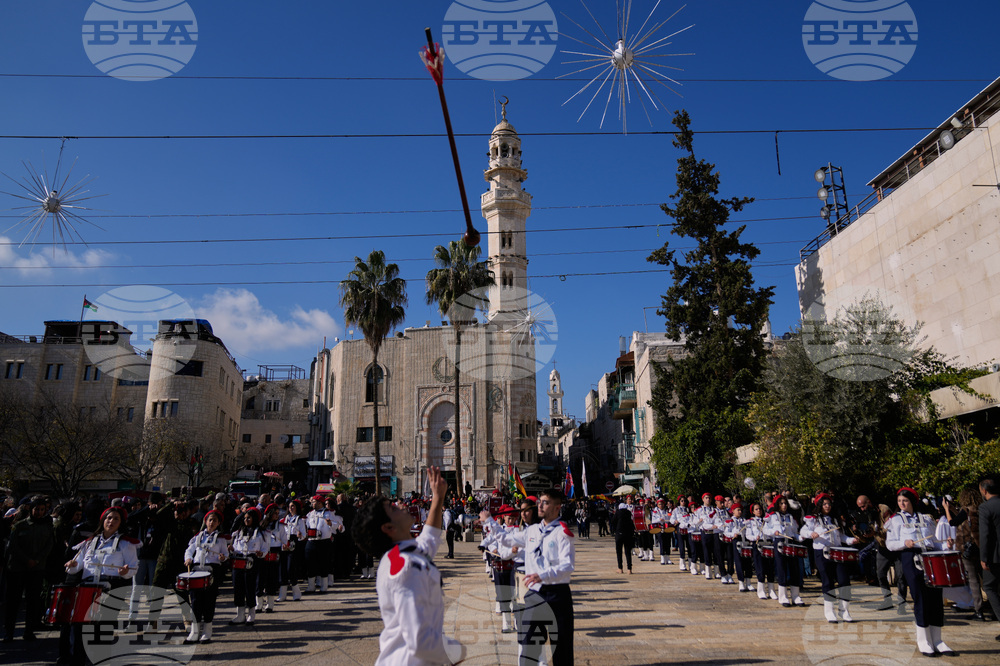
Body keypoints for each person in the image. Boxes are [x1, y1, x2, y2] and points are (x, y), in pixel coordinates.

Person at [354, 466, 466, 665]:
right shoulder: (404, 566)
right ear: (388, 528)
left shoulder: (403, 553)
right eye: (394, 509)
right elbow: (419, 641)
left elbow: (429, 538)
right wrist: (457, 651)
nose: (403, 507)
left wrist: (438, 497)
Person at [482, 487, 575, 666]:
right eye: (539, 502)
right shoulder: (532, 532)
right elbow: (507, 540)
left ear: (557, 508)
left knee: (561, 646)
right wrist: (489, 522)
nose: (540, 506)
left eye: (545, 502)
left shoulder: (562, 533)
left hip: (557, 593)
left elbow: (567, 566)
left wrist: (544, 574)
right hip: (535, 594)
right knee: (528, 644)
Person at [60, 506, 138, 665]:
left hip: (110, 590)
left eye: (116, 518)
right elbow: (77, 567)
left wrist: (125, 572)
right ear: (103, 520)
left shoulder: (126, 544)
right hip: (86, 590)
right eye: (109, 518)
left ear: (121, 522)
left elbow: (133, 568)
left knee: (102, 632)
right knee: (80, 629)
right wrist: (72, 564)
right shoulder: (89, 542)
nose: (111, 521)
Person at [887, 486, 957, 657]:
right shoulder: (895, 520)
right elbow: (890, 544)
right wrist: (905, 543)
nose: (902, 504)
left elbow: (934, 542)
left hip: (931, 559)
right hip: (911, 558)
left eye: (905, 500)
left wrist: (945, 545)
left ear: (912, 501)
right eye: (899, 501)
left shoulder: (926, 519)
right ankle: (923, 641)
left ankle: (938, 640)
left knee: (935, 598)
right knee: (920, 597)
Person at [3, 497, 54, 643]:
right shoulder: (19, 526)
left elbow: (49, 546)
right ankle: (9, 632)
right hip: (17, 569)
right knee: (13, 601)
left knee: (33, 601)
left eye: (42, 510)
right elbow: (13, 546)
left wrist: (36, 560)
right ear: (31, 509)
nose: (39, 512)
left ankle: (29, 631)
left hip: (36, 569)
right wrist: (27, 560)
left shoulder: (46, 526)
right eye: (36, 509)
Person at [802, 493, 857, 623]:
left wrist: (850, 540)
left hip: (837, 552)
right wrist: (811, 533)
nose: (827, 506)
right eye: (825, 504)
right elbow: (803, 531)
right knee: (828, 581)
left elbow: (841, 537)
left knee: (844, 581)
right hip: (822, 553)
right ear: (820, 505)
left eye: (829, 504)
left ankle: (845, 611)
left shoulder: (835, 520)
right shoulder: (813, 519)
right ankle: (829, 611)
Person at [182, 509, 229, 643]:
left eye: (215, 520)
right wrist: (188, 558)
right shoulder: (198, 537)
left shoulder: (220, 539)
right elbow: (189, 550)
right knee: (195, 601)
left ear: (218, 523)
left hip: (211, 570)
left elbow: (225, 555)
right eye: (210, 520)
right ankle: (194, 632)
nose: (212, 522)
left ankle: (207, 631)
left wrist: (222, 558)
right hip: (196, 570)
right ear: (205, 521)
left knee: (209, 601)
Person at [765, 496, 804, 607]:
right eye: (781, 503)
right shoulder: (772, 516)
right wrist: (774, 532)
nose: (784, 505)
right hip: (780, 543)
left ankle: (796, 597)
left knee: (794, 569)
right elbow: (765, 529)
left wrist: (801, 537)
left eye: (785, 503)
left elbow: (794, 532)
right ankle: (783, 597)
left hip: (791, 543)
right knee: (782, 569)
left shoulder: (790, 517)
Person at [230, 507, 265, 626]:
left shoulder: (260, 533)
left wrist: (261, 553)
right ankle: (240, 614)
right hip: (239, 560)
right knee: (238, 587)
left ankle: (251, 613)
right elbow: (235, 547)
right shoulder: (238, 532)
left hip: (251, 560)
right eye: (245, 518)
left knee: (249, 587)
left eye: (249, 518)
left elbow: (265, 548)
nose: (246, 520)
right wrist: (231, 550)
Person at [979, 474, 1000, 638]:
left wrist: (984, 557)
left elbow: (985, 535)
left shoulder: (985, 507)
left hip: (994, 556)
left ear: (984, 490)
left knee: (990, 588)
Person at [256, 503, 285, 613]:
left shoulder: (281, 526)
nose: (277, 516)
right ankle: (258, 604)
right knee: (260, 579)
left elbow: (284, 540)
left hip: (274, 553)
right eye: (275, 513)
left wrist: (285, 546)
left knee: (271, 579)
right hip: (262, 553)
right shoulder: (261, 526)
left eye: (278, 514)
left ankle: (270, 604)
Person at [745, 502, 776, 600]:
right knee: (760, 568)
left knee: (770, 568)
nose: (759, 511)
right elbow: (748, 535)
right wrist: (755, 537)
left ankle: (771, 590)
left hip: (768, 544)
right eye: (756, 509)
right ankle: (761, 591)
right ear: (753, 512)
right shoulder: (750, 522)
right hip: (758, 544)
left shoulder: (767, 520)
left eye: (760, 509)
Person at [280, 499, 308, 600]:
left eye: (293, 506)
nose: (291, 508)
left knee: (290, 568)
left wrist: (300, 535)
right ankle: (282, 594)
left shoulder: (300, 519)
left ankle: (296, 592)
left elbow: (303, 535)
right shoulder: (285, 519)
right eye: (290, 506)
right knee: (283, 568)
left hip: (294, 544)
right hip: (284, 543)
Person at [611, 498, 635, 574]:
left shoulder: (618, 513)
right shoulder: (629, 513)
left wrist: (614, 531)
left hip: (619, 534)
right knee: (628, 552)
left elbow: (612, 522)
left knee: (619, 551)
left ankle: (620, 568)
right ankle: (629, 569)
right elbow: (632, 523)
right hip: (628, 534)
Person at [651, 498, 673, 565]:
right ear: (657, 505)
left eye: (662, 504)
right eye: (659, 504)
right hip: (659, 528)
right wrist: (659, 519)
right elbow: (653, 521)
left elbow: (670, 519)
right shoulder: (655, 512)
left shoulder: (667, 511)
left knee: (667, 543)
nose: (661, 505)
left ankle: (668, 558)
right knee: (662, 543)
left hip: (666, 528)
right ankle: (662, 558)